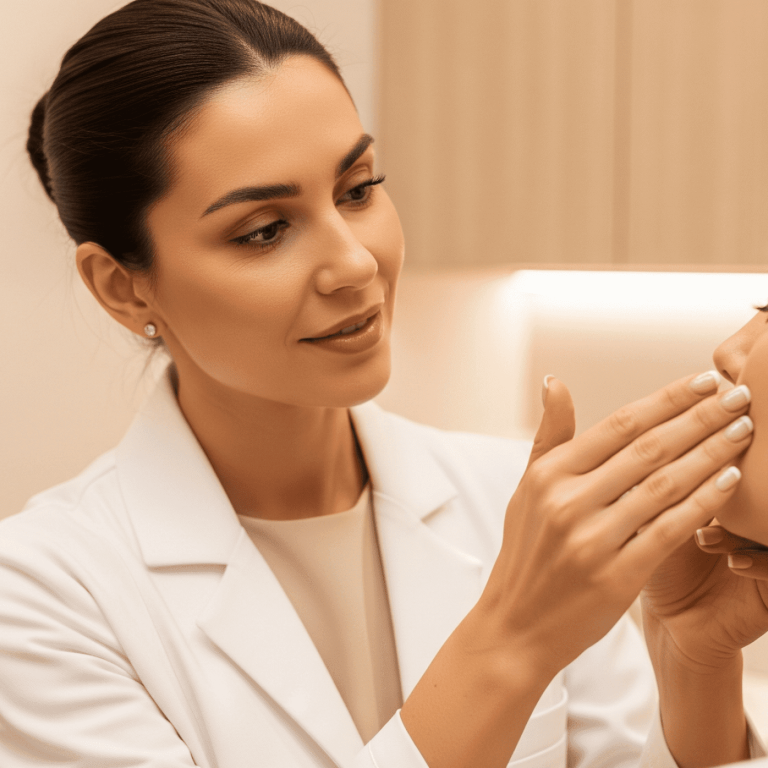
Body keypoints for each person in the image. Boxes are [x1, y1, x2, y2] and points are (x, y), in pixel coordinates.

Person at [0, 1, 764, 766]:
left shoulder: (512, 499)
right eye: (264, 230)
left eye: (358, 189)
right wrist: (513, 637)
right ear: (123, 288)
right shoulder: (41, 598)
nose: (356, 263)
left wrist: (695, 664)